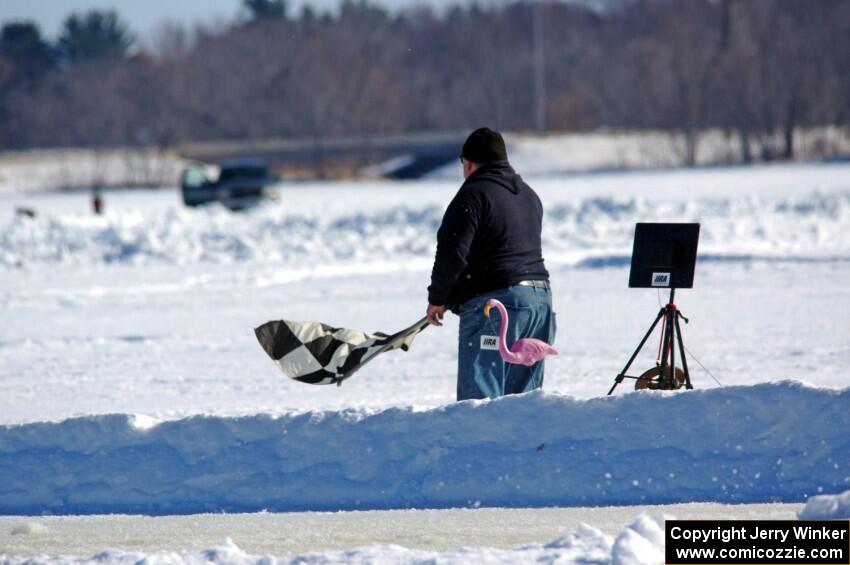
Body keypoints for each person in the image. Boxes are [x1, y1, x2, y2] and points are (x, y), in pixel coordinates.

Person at [426, 127, 556, 401]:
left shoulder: (472, 194)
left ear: (469, 163)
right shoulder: (529, 195)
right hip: (539, 304)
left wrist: (438, 298)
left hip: (496, 307)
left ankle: (482, 447)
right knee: (524, 404)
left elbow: (452, 251)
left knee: (481, 406)